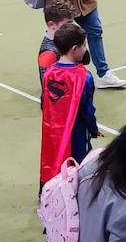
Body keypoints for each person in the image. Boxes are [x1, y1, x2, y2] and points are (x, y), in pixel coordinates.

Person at [39, 22, 98, 189]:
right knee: (79, 165)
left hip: (53, 131)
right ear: (74, 49)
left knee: (55, 161)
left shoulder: (49, 73)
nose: (85, 49)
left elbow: (45, 103)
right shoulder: (83, 77)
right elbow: (87, 110)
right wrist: (93, 129)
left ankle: (52, 193)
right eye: (84, 46)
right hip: (77, 131)